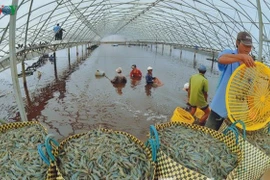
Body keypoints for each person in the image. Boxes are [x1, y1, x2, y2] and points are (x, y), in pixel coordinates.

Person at [205, 31, 255, 130]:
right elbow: (221, 59)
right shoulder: (230, 53)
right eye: (245, 45)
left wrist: (251, 108)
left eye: (249, 46)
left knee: (226, 139)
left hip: (235, 111)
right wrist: (240, 57)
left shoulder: (251, 66)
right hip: (220, 106)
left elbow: (249, 88)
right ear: (237, 42)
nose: (247, 49)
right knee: (209, 133)